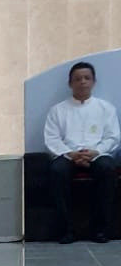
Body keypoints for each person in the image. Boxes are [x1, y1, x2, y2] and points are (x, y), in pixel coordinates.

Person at [44, 61, 120, 244]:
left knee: (108, 169)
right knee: (57, 171)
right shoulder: (58, 110)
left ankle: (100, 229)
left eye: (87, 78)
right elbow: (52, 139)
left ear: (94, 82)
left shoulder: (106, 108)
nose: (83, 82)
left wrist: (96, 152)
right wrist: (71, 154)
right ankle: (67, 230)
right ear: (70, 83)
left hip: (97, 154)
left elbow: (112, 137)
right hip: (68, 154)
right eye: (78, 79)